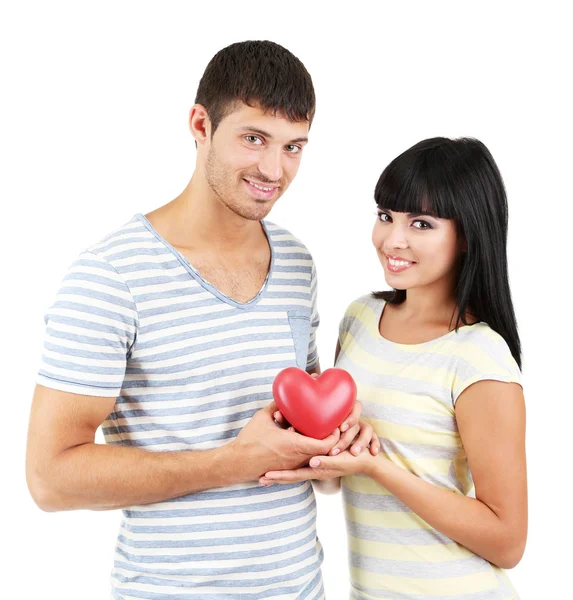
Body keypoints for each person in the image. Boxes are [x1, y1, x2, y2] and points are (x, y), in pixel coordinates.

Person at [26, 40, 378, 600]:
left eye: (293, 147)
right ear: (200, 124)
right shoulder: (110, 275)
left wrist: (337, 446)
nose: (274, 169)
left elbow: (302, 445)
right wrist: (231, 462)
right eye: (254, 138)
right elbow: (50, 479)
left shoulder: (296, 263)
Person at [261, 137, 527, 599]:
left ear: (466, 235)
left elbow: (508, 541)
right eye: (386, 216)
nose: (392, 240)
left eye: (421, 223)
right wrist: (322, 445)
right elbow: (337, 481)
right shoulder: (360, 318)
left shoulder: (479, 356)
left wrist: (379, 468)